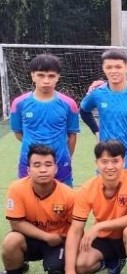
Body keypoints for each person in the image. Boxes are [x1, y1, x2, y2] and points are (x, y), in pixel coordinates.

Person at [61, 141, 127, 274]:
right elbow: (75, 230)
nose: (110, 166)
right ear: (97, 163)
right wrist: (69, 271)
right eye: (104, 161)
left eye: (115, 161)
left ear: (124, 161)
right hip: (106, 238)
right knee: (81, 265)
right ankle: (113, 264)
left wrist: (100, 225)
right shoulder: (87, 188)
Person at [2, 145, 74, 274]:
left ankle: (58, 271)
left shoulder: (68, 194)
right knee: (10, 241)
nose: (43, 169)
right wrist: (46, 236)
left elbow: (75, 229)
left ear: (55, 169)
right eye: (37, 165)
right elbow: (16, 223)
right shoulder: (17, 188)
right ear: (28, 170)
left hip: (58, 241)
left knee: (57, 269)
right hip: (32, 239)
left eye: (48, 165)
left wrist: (60, 240)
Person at [80, 49, 127, 178]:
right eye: (109, 67)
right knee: (105, 197)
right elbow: (84, 111)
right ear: (103, 68)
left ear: (126, 68)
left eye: (118, 67)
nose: (113, 71)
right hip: (107, 157)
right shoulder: (97, 93)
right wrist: (97, 131)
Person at [10, 54, 79, 187]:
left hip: (60, 162)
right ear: (33, 76)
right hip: (28, 162)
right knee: (29, 203)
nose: (46, 81)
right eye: (41, 75)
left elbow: (72, 135)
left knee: (64, 204)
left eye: (51, 76)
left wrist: (65, 156)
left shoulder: (69, 104)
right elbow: (18, 133)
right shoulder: (19, 104)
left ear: (58, 77)